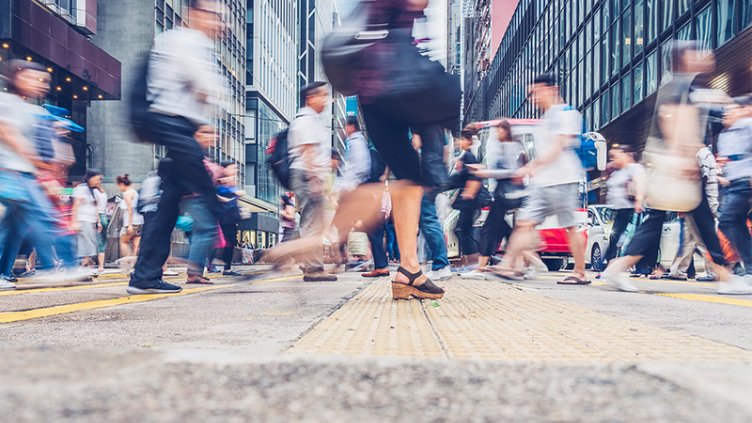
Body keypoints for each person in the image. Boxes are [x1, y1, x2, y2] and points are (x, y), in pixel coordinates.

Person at [602, 41, 751, 295]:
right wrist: (684, 156)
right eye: (697, 53)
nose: (704, 56)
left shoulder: (684, 85)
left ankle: (725, 277)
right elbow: (670, 118)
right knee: (680, 219)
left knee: (686, 219)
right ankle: (726, 278)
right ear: (684, 59)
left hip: (673, 162)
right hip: (675, 163)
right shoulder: (679, 85)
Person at [128, 0, 226, 295]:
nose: (221, 25)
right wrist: (209, 95)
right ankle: (147, 275)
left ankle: (145, 276)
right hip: (174, 125)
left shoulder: (179, 41)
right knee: (207, 193)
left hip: (178, 127)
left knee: (167, 207)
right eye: (215, 17)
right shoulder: (186, 41)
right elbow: (210, 88)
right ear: (193, 15)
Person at [492, 73, 588, 285]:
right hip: (542, 182)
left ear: (552, 89)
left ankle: (580, 272)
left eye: (536, 92)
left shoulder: (566, 112)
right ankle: (507, 265)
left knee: (570, 226)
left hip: (563, 179)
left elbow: (559, 145)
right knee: (525, 223)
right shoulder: (546, 118)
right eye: (531, 94)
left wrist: (532, 166)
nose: (533, 97)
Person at [0, 60, 88, 289]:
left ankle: (3, 274)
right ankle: (64, 266)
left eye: (44, 81)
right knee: (44, 217)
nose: (41, 85)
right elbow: (7, 134)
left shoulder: (35, 111)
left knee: (12, 230)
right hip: (11, 173)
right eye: (33, 78)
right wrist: (39, 164)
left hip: (25, 173)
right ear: (16, 77)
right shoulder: (4, 102)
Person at [462, 120, 527, 280]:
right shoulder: (514, 146)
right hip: (505, 195)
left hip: (504, 195)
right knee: (506, 231)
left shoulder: (508, 146)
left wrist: (486, 173)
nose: (497, 134)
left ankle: (481, 268)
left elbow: (511, 172)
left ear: (506, 131)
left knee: (489, 230)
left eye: (499, 130)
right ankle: (522, 264)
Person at [286, 82, 337, 282]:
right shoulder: (305, 121)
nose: (326, 100)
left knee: (315, 222)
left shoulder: (312, 120)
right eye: (322, 95)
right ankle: (313, 267)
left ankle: (308, 264)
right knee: (312, 223)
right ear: (310, 98)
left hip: (309, 175)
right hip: (307, 174)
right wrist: (315, 178)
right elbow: (308, 151)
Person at [717, 97, 752, 277]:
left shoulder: (748, 125)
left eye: (732, 110)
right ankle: (748, 269)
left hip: (745, 182)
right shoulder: (725, 134)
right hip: (731, 185)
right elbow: (728, 161)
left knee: (727, 221)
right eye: (726, 111)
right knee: (736, 224)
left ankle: (744, 265)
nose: (727, 114)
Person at [602, 145, 645, 266]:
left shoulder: (634, 168)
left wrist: (639, 201)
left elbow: (640, 183)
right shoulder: (618, 170)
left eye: (616, 156)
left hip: (631, 208)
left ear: (627, 155)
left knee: (629, 238)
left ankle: (615, 264)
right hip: (619, 209)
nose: (613, 159)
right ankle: (610, 263)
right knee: (615, 237)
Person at [451, 130, 483, 269]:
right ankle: (469, 260)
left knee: (463, 229)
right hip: (467, 200)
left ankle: (472, 260)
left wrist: (469, 193)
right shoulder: (465, 156)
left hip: (469, 201)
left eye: (461, 139)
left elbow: (475, 177)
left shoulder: (469, 156)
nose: (458, 142)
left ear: (469, 141)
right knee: (463, 229)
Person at [73, 170, 104, 272]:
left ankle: (84, 268)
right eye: (97, 179)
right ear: (90, 178)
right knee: (87, 245)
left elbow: (95, 208)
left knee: (90, 246)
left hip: (90, 221)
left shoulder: (92, 191)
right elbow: (76, 205)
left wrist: (98, 221)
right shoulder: (81, 189)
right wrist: (74, 220)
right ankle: (84, 267)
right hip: (83, 220)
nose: (98, 181)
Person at [116, 174, 145, 262]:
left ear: (121, 184)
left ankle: (128, 262)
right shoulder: (134, 192)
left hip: (130, 222)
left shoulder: (126, 194)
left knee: (123, 242)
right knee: (136, 244)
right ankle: (135, 264)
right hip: (140, 221)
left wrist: (130, 225)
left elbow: (130, 209)